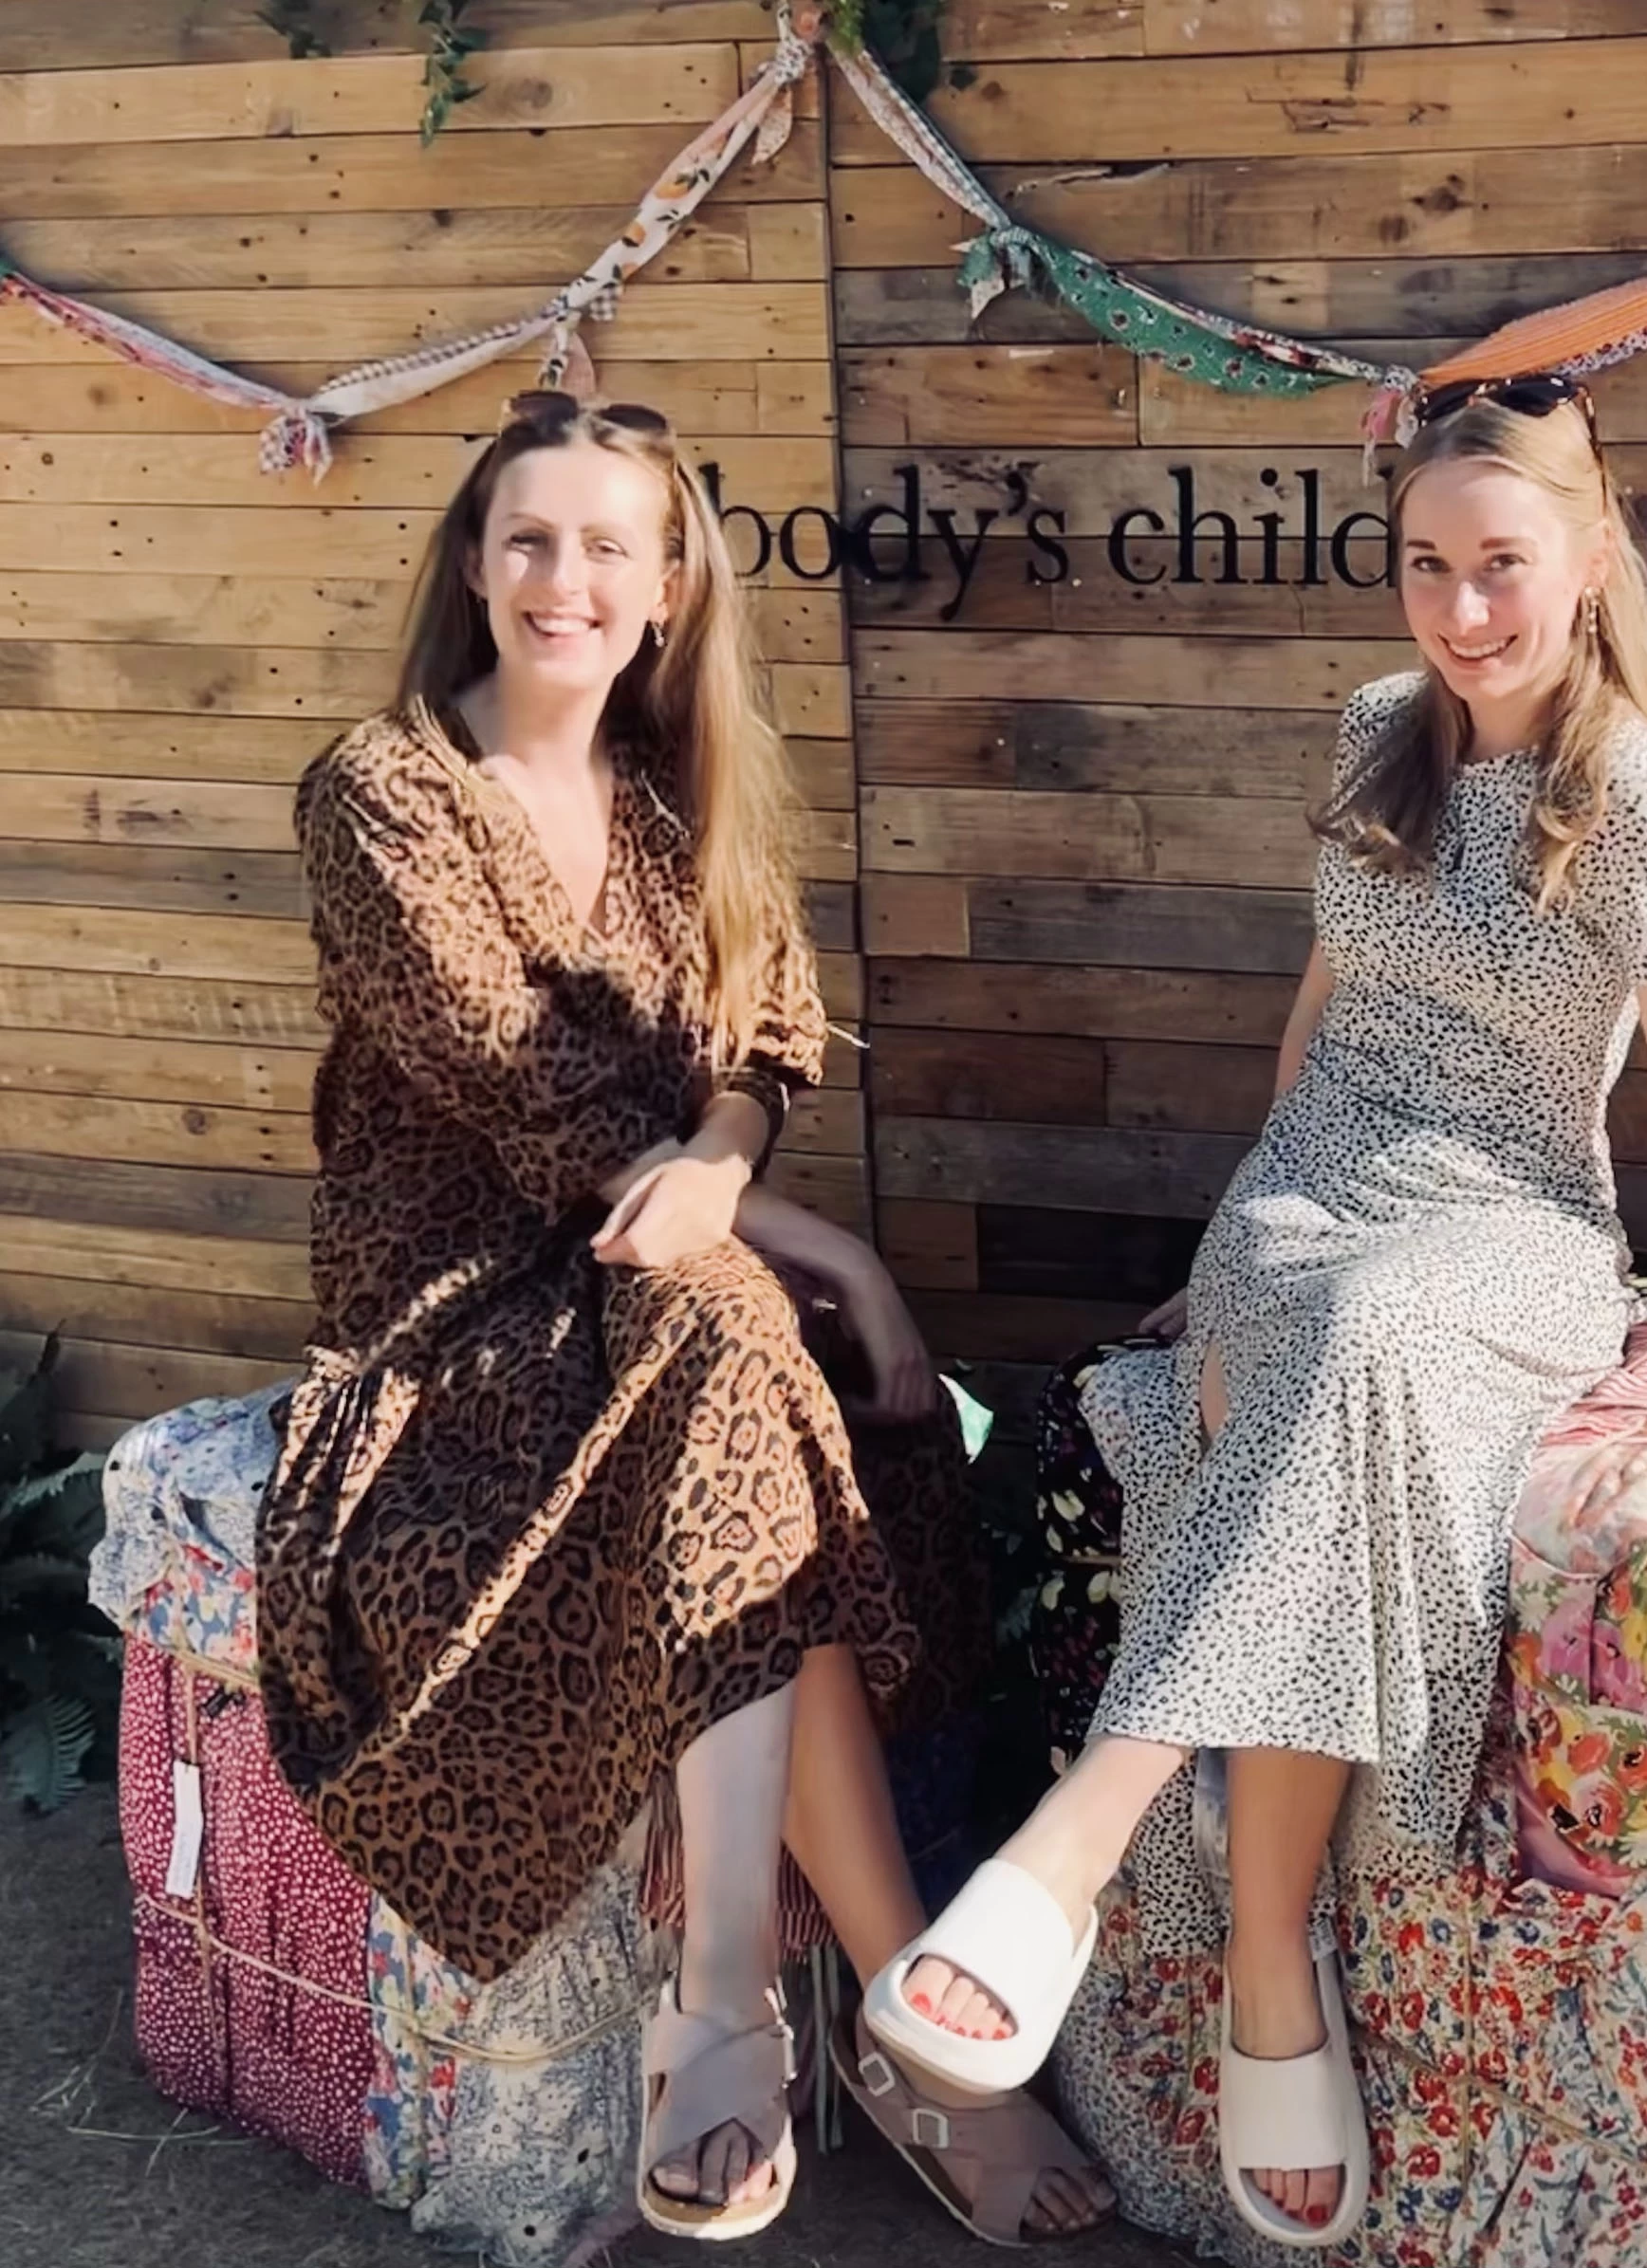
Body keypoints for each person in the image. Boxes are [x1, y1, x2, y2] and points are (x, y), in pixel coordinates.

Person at [860, 377, 1647, 2248]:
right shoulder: (1381, 733)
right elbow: (1321, 1006)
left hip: (1515, 1217)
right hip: (1317, 1184)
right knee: (1326, 1342)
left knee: (1373, 1342)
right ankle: (1264, 1977)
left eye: (1501, 569)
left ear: (1592, 559)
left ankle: (1068, 1863)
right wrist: (1235, 1231)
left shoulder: (1636, 803)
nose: (1462, 613)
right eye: (1426, 568)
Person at [256, 391, 1111, 2245]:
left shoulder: (667, 798)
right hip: (458, 1310)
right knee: (739, 1345)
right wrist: (790, 1237)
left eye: (609, 546)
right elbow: (531, 1095)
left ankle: (827, 2029)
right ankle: (798, 2018)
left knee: (763, 1397)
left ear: (667, 586)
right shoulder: (385, 792)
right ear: (475, 564)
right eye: (533, 539)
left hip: (660, 1284)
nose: (568, 579)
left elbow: (764, 1043)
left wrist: (748, 1179)